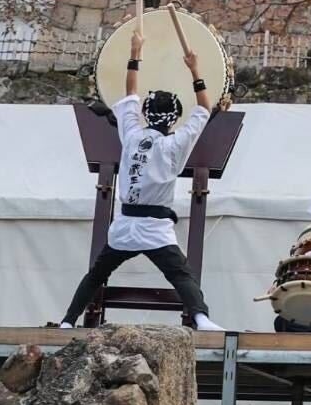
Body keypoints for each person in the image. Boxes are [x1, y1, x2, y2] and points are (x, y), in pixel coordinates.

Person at [59, 30, 224, 331]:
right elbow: (204, 108)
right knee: (181, 276)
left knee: (96, 274)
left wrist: (135, 52)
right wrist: (194, 68)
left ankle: (68, 321)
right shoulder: (176, 145)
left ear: (147, 114)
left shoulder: (131, 135)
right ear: (174, 118)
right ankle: (201, 318)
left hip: (124, 225)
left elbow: (131, 93)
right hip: (155, 227)